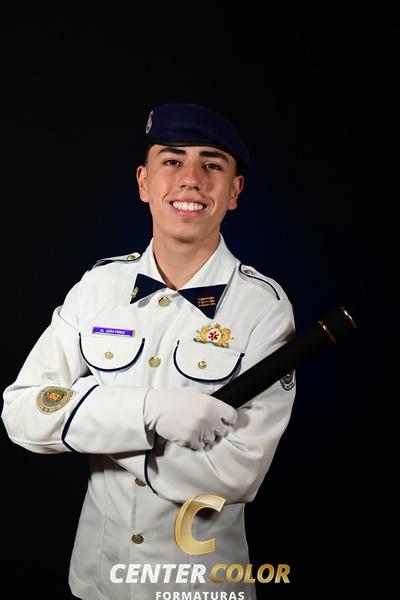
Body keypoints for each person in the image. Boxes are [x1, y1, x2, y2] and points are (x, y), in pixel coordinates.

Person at [2, 103, 296, 600]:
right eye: (172, 160)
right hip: (96, 581)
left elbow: (235, 473)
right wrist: (147, 410)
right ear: (144, 182)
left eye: (211, 164)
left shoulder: (262, 307)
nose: (191, 179)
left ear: (234, 191)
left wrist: (91, 424)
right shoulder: (97, 288)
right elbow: (23, 411)